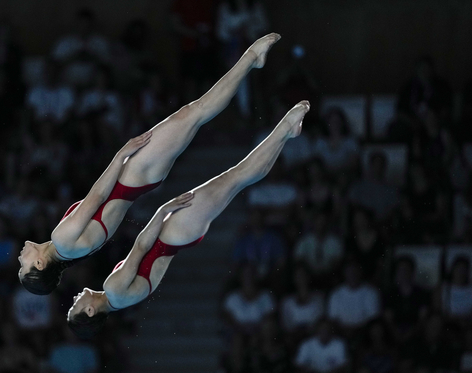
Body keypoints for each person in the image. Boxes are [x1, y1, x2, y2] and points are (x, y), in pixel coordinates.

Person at [18, 33, 282, 295]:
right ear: (40, 264)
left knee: (194, 115)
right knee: (195, 112)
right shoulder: (62, 240)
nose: (20, 258)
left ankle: (251, 62)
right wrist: (121, 156)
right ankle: (250, 58)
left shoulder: (71, 250)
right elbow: (97, 196)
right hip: (133, 175)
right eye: (23, 266)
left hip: (138, 180)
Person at [66, 100, 310, 338]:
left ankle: (286, 134)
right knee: (237, 176)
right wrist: (162, 212)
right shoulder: (113, 290)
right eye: (75, 305)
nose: (76, 298)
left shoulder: (119, 299)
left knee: (237, 179)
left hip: (178, 236)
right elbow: (141, 247)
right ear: (90, 311)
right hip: (174, 231)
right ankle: (285, 129)